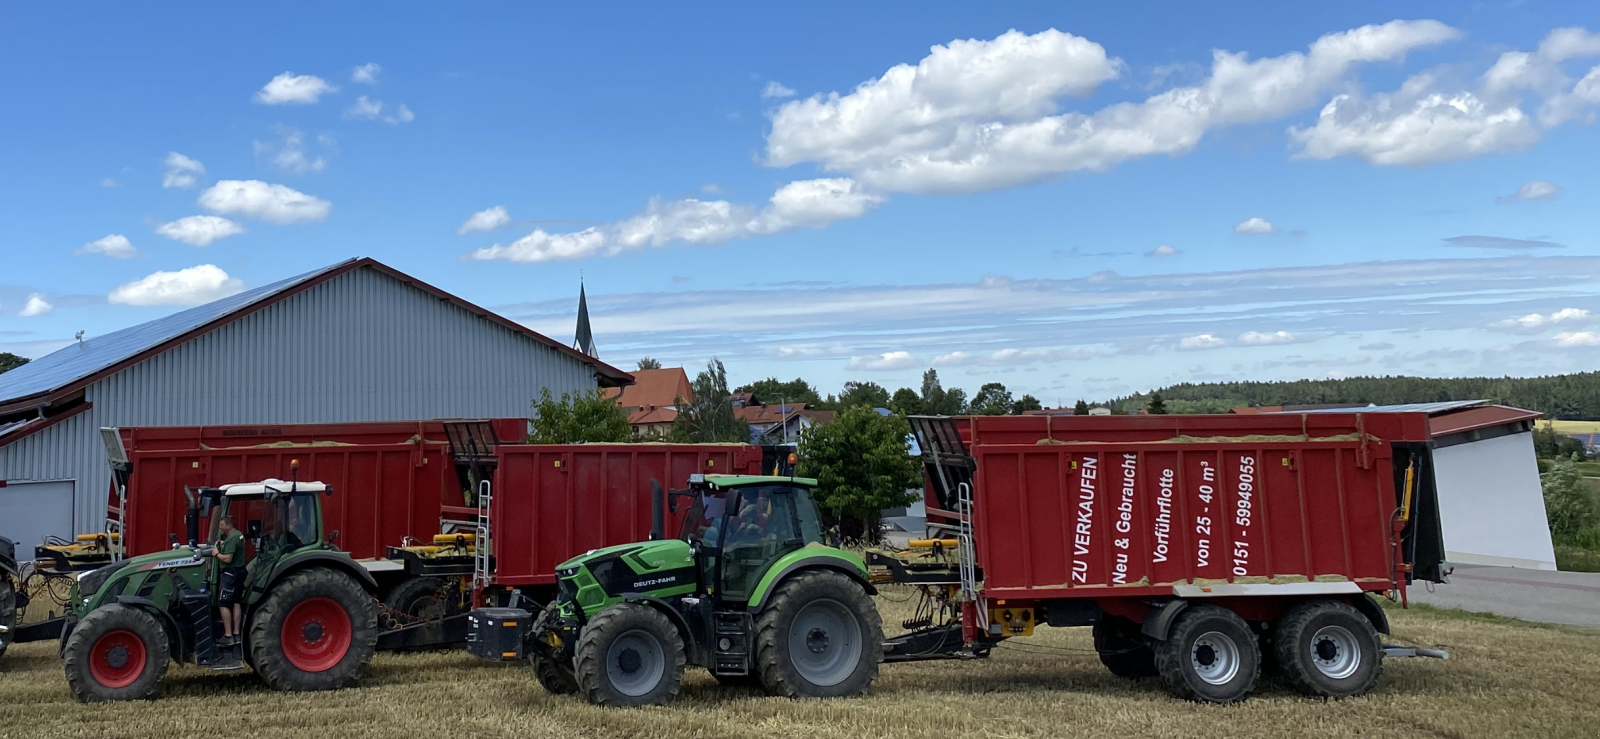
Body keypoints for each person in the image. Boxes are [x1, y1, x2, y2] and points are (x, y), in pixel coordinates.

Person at [213, 516, 247, 651]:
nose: (220, 527)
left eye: (222, 525)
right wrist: (223, 544)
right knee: (236, 602)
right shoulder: (238, 535)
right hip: (240, 572)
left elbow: (227, 558)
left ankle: (228, 636)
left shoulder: (232, 538)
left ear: (228, 525)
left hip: (230, 574)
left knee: (223, 603)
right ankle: (237, 634)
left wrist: (216, 554)